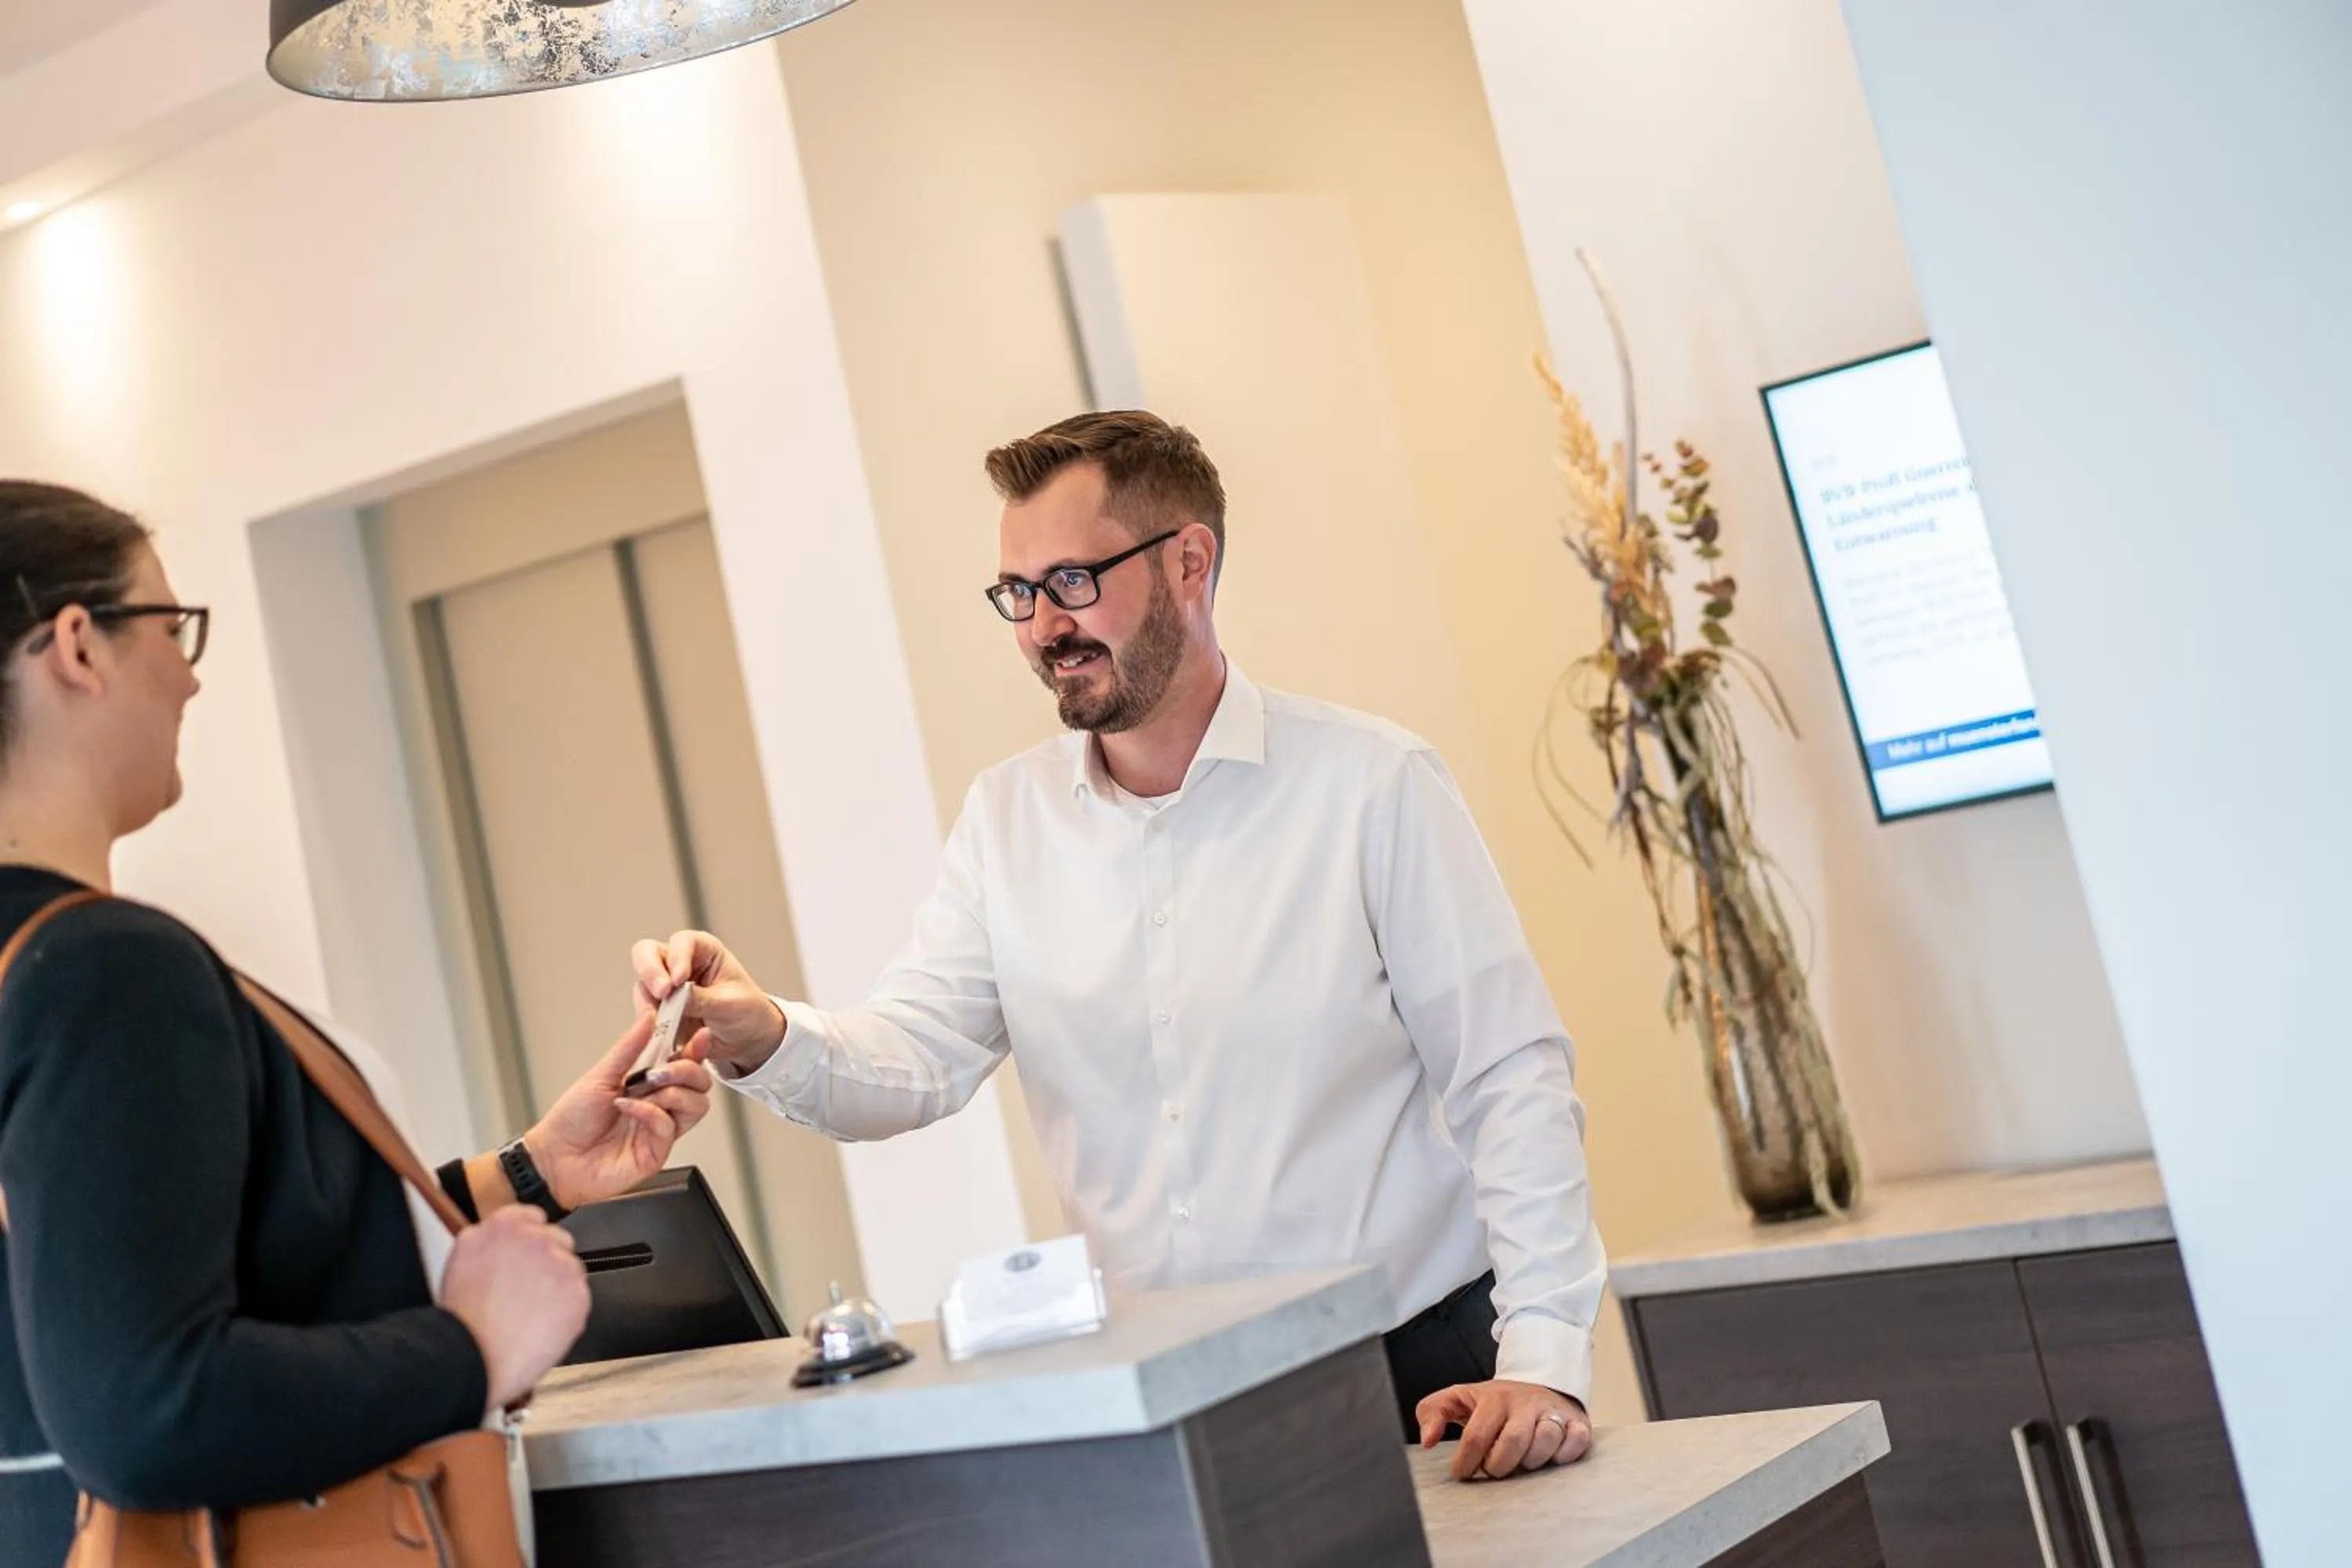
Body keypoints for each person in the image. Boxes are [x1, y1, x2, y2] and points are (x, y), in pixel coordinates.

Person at [633, 412, 1607, 1482]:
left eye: (1073, 581)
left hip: (1422, 1377)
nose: (1044, 625)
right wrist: (762, 1031)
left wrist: (1547, 1358)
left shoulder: (1373, 786)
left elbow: (1509, 1079)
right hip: (1164, 1402)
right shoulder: (1007, 823)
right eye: (1018, 592)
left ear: (1190, 562)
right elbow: (913, 1057)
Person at [0, 481, 717, 1567]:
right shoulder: (104, 967)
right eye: (170, 626)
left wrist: (523, 1177)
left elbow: (164, 1254)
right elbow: (139, 1406)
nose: (191, 675)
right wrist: (467, 1348)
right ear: (76, 649)